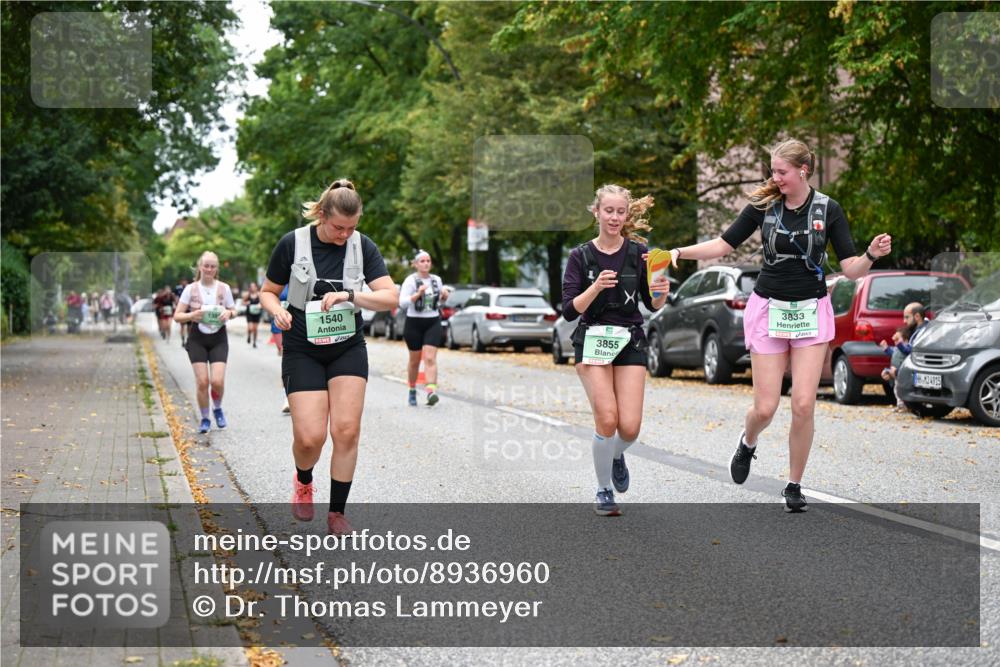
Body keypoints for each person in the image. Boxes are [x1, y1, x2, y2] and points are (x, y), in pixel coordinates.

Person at [669, 139, 892, 512]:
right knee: (766, 408)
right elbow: (723, 245)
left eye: (781, 172)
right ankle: (748, 441)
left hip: (809, 311)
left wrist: (871, 254)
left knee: (804, 404)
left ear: (803, 170)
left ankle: (794, 484)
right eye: (773, 171)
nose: (775, 178)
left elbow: (851, 269)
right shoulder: (764, 206)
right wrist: (679, 252)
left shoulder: (828, 209)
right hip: (769, 309)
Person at [260, 179, 397, 536]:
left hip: (347, 346)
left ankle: (337, 512)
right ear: (322, 214)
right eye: (339, 227)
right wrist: (277, 311)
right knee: (310, 438)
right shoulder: (293, 243)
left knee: (346, 430)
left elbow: (390, 297)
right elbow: (268, 292)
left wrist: (351, 295)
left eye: (352, 227)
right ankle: (303, 479)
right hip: (303, 346)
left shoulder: (362, 246)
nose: (344, 234)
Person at [561, 184, 670, 517]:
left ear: (627, 215)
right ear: (596, 212)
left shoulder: (640, 253)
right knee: (607, 419)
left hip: (630, 339)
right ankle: (604, 489)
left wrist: (661, 291)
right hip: (593, 339)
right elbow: (568, 310)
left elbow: (652, 304)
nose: (614, 217)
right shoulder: (580, 256)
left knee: (630, 428)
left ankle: (614, 453)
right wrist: (595, 287)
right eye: (608, 210)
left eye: (620, 211)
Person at [173, 252, 237, 434]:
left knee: (217, 381)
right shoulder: (190, 289)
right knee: (202, 382)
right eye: (206, 265)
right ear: (200, 267)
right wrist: (192, 315)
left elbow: (234, 310)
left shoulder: (224, 288)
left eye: (213, 266)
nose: (209, 269)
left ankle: (217, 408)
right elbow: (177, 316)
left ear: (216, 269)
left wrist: (229, 313)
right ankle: (205, 418)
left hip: (219, 338)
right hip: (197, 339)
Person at [398, 250, 450, 406]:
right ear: (415, 264)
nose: (426, 263)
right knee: (414, 361)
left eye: (428, 261)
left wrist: (444, 297)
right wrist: (417, 294)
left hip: (432, 321)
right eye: (422, 261)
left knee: (429, 358)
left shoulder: (436, 280)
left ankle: (430, 391)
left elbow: (439, 303)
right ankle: (412, 389)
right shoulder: (410, 281)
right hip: (414, 323)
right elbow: (402, 303)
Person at [880, 325, 913, 411]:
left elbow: (905, 351)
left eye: (898, 338)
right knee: (896, 390)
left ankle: (905, 405)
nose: (895, 341)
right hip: (896, 375)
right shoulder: (897, 349)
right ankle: (900, 405)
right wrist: (886, 348)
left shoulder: (907, 347)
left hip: (903, 374)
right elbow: (892, 352)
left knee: (903, 390)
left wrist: (899, 344)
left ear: (905, 340)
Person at [270, 284, 291, 414]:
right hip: (279, 324)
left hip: (298, 322)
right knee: (286, 358)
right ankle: (287, 396)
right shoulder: (278, 279)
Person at [244, 282, 263, 348]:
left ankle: (254, 342)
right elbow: (243, 302)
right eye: (251, 286)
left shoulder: (259, 295)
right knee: (250, 328)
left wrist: (260, 305)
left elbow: (263, 302)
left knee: (255, 329)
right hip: (249, 313)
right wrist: (247, 303)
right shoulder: (247, 295)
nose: (252, 288)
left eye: (253, 286)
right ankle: (249, 335)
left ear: (256, 287)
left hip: (257, 314)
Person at [174, 279, 191, 346]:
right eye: (183, 281)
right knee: (182, 326)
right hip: (182, 309)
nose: (184, 282)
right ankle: (183, 339)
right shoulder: (178, 289)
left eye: (185, 281)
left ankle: (188, 339)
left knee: (189, 327)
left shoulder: (190, 288)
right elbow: (175, 297)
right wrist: (177, 304)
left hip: (189, 309)